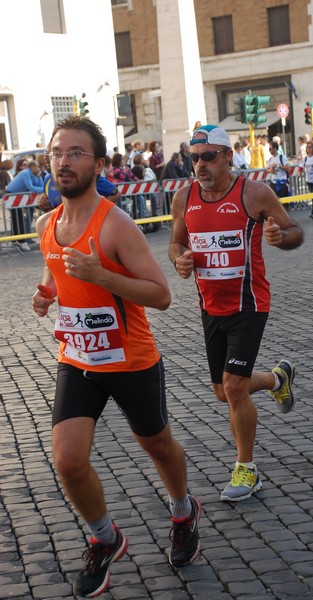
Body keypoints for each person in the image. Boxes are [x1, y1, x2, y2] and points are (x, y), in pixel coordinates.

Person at [31, 116, 201, 597]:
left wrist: (101, 274)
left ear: (99, 163)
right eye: (57, 153)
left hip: (130, 360)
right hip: (79, 359)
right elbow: (56, 275)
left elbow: (161, 294)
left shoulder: (116, 224)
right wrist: (45, 295)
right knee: (67, 461)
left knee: (159, 447)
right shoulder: (48, 224)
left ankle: (184, 510)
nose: (64, 161)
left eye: (76, 153)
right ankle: (105, 539)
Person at [168, 124, 303, 503]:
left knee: (232, 386)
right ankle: (278, 380)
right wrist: (180, 259)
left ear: (228, 156)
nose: (200, 165)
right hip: (210, 306)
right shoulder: (184, 197)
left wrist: (280, 237)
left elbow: (296, 231)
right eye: (194, 158)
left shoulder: (254, 193)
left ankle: (247, 469)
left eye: (208, 156)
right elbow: (176, 242)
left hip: (249, 303)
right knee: (222, 392)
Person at [6, 159, 44, 249]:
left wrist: (39, 177)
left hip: (16, 197)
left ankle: (18, 241)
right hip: (11, 196)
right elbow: (31, 187)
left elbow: (39, 185)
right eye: (37, 166)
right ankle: (21, 242)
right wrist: (43, 189)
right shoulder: (25, 173)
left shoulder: (33, 175)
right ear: (33, 167)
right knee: (18, 220)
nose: (39, 168)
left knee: (18, 219)